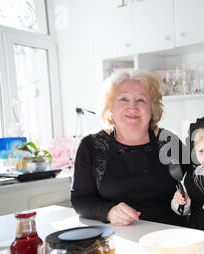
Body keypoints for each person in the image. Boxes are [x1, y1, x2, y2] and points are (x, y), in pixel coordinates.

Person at [71, 70, 186, 227]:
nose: (132, 106)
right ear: (110, 107)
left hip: (166, 237)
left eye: (141, 100)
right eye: (123, 99)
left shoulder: (169, 141)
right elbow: (80, 199)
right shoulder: (91, 146)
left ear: (152, 108)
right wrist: (108, 211)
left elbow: (196, 183)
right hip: (117, 239)